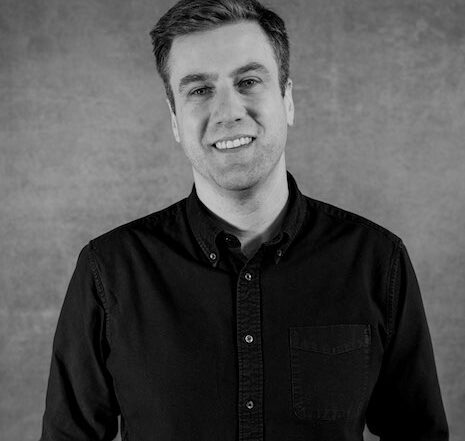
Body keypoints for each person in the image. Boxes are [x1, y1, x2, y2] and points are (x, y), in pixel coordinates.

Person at [39, 0, 449, 440]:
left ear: (287, 100)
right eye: (200, 90)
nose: (228, 112)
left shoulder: (377, 261)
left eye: (248, 81)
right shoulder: (108, 271)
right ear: (175, 119)